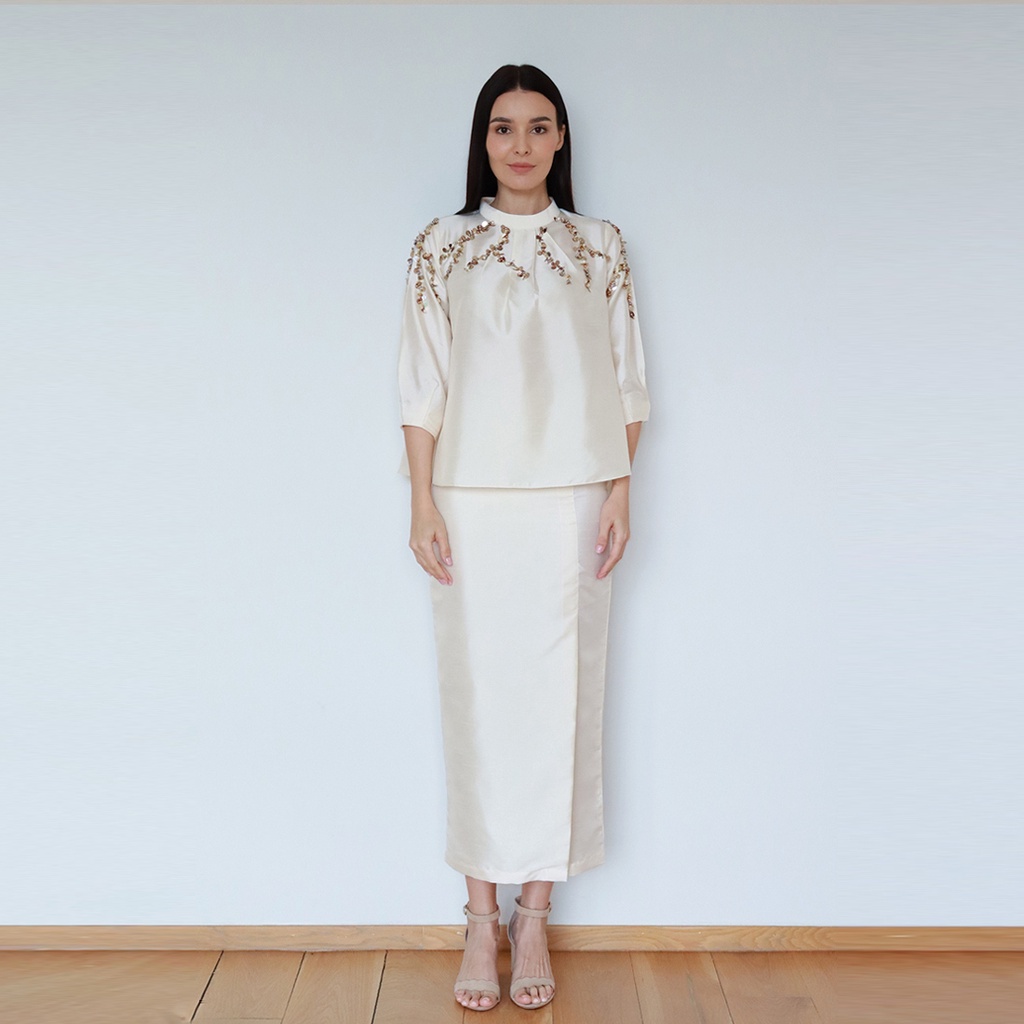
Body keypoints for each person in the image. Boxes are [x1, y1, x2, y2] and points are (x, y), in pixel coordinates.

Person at [397, 64, 650, 1011]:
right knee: (478, 701)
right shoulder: (441, 245)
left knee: (561, 701)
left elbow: (627, 379)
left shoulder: (601, 245)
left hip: (573, 500)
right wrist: (422, 502)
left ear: (561, 139)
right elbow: (421, 381)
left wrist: (620, 488)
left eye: (539, 126)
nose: (521, 145)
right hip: (471, 500)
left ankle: (535, 914)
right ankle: (479, 917)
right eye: (503, 127)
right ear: (483, 139)